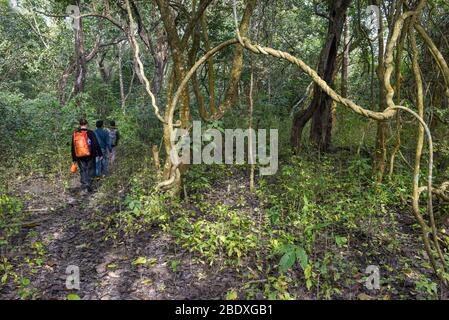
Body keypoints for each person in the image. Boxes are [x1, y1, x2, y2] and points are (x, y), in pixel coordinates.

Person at [71, 118, 103, 193]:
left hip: (79, 155)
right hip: (90, 155)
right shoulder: (90, 133)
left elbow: (73, 147)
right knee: (91, 169)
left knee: (83, 170)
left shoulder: (75, 133)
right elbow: (96, 144)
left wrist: (74, 159)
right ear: (86, 124)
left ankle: (84, 184)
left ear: (80, 124)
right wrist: (100, 154)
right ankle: (89, 184)